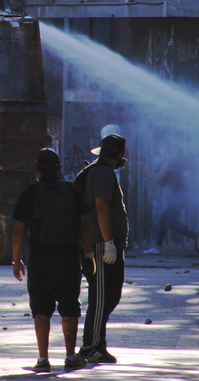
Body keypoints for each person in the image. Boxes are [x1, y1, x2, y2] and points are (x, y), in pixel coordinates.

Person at [12, 148, 95, 373]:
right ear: (59, 168)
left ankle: (42, 359)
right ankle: (70, 357)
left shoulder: (30, 193)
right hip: (69, 259)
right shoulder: (72, 190)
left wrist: (16, 260)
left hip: (39, 259)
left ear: (37, 169)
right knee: (69, 307)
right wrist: (89, 254)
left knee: (41, 308)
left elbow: (19, 230)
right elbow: (84, 226)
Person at [77, 134, 129, 364]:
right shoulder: (102, 173)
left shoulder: (100, 171)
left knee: (110, 295)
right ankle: (91, 345)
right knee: (100, 297)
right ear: (118, 154)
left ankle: (96, 342)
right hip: (100, 243)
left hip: (105, 243)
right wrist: (108, 242)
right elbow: (101, 207)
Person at [138, 158, 198, 255]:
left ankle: (198, 238)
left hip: (176, 197)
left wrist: (143, 170)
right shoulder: (185, 163)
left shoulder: (169, 163)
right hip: (182, 197)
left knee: (171, 223)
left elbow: (158, 178)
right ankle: (157, 247)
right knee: (162, 219)